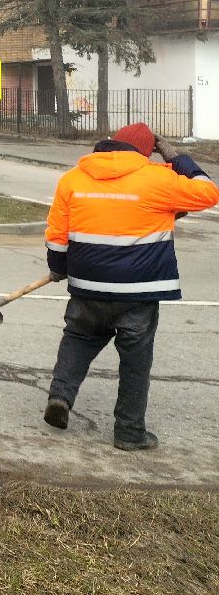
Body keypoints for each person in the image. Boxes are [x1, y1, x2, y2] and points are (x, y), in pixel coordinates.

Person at [42, 122, 218, 451]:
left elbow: (57, 235)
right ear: (147, 151)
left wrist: (58, 269)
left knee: (78, 340)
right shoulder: (160, 180)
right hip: (138, 292)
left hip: (87, 288)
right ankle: (128, 431)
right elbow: (208, 192)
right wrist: (176, 156)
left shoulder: (73, 179)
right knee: (136, 361)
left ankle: (60, 398)